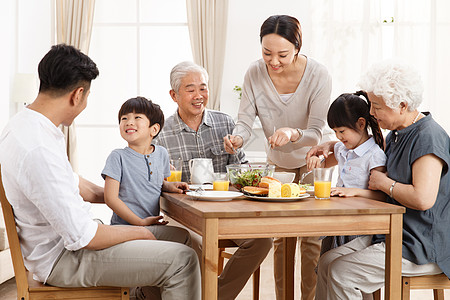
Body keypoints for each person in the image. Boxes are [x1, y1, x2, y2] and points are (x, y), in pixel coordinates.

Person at [0, 44, 200, 300]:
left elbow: (73, 184)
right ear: (77, 94)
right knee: (183, 260)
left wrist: (116, 191)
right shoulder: (37, 148)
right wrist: (139, 230)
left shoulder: (28, 125)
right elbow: (84, 237)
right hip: (64, 258)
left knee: (180, 238)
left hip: (70, 242)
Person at [309, 61, 450, 299]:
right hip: (393, 234)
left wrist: (385, 184)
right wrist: (331, 145)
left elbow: (423, 199)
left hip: (422, 246)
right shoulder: (396, 134)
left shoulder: (428, 137)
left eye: (376, 106)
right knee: (326, 263)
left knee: (341, 273)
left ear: (402, 105)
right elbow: (363, 146)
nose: (371, 112)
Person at [224, 15, 333, 300]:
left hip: (310, 163)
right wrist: (238, 138)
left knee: (311, 242)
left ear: (297, 47)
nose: (274, 61)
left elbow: (316, 133)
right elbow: (245, 122)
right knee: (281, 241)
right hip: (278, 169)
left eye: (282, 54)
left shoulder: (318, 75)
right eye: (266, 53)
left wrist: (293, 133)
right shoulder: (254, 73)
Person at [155, 61, 272, 300]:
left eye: (203, 88)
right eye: (191, 89)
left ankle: (215, 295)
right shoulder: (161, 133)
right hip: (183, 215)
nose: (199, 96)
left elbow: (244, 172)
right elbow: (152, 182)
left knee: (262, 241)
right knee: (195, 243)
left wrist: (234, 157)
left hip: (225, 212)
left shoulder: (225, 123)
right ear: (174, 95)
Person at [306, 91, 387, 255]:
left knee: (337, 265)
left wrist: (352, 192)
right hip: (338, 219)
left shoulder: (374, 155)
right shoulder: (343, 149)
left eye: (342, 131)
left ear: (361, 124)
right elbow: (322, 166)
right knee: (324, 263)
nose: (338, 136)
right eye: (335, 132)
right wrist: (317, 161)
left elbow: (381, 196)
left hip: (358, 225)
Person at [102, 96, 188, 226]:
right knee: (185, 239)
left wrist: (169, 186)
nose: (129, 122)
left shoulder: (161, 154)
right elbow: (110, 199)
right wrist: (140, 222)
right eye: (124, 118)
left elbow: (157, 183)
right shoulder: (117, 157)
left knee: (184, 236)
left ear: (154, 129)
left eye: (137, 117)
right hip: (124, 228)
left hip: (149, 226)